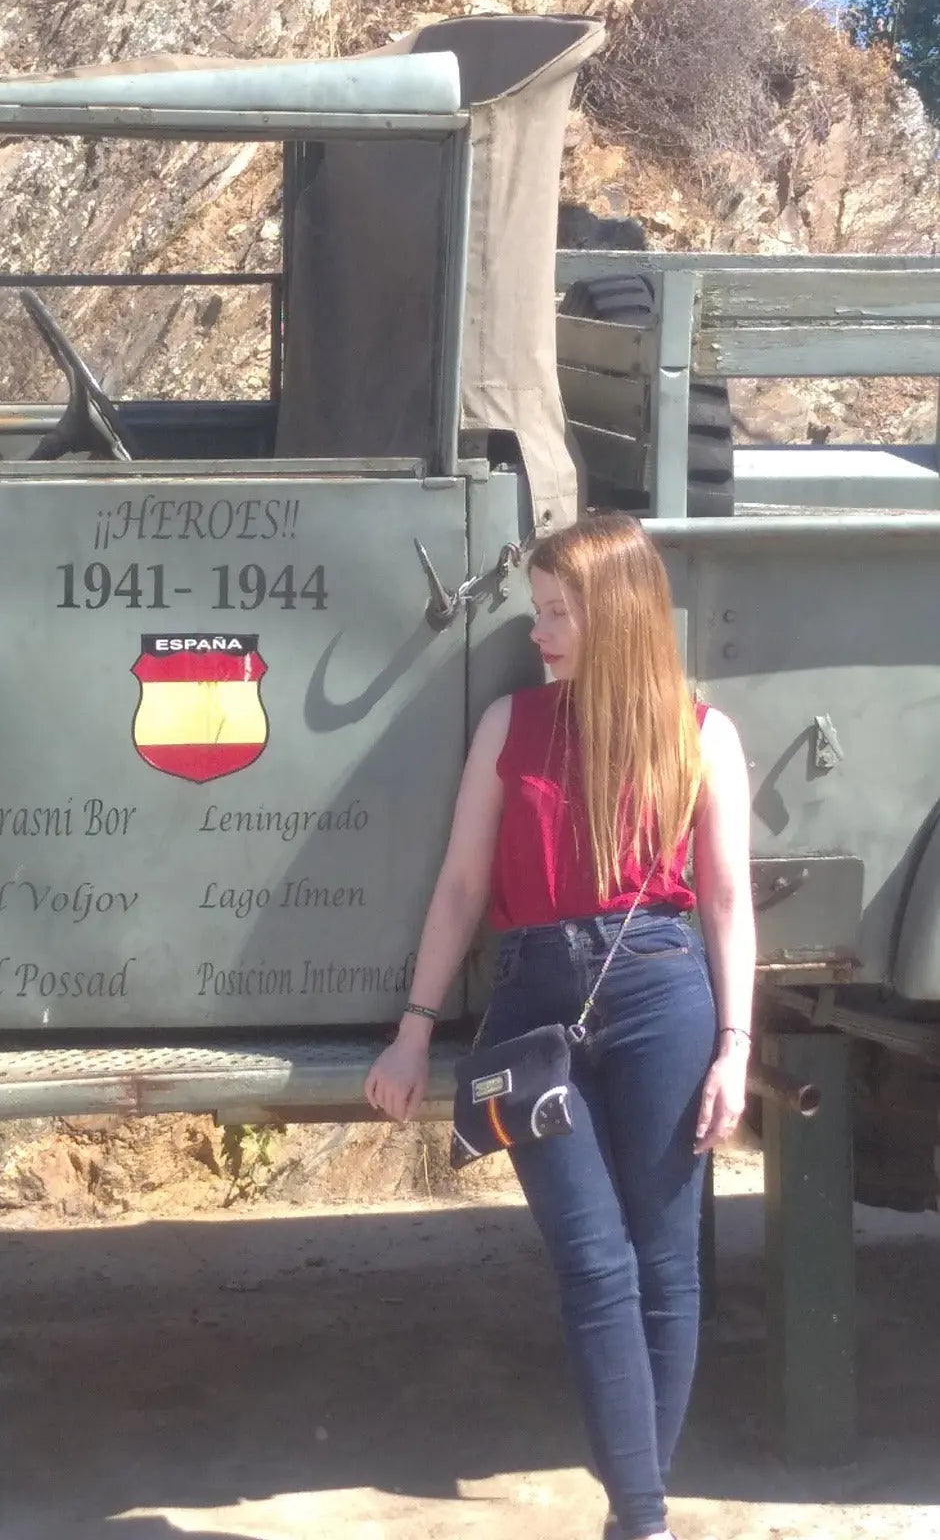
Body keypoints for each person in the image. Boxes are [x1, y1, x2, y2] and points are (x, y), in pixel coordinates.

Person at [364, 513, 754, 1540]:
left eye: (556, 612)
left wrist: (736, 1048)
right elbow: (457, 888)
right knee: (593, 1259)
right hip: (533, 1004)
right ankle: (643, 1514)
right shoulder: (510, 725)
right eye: (536, 611)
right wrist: (412, 1028)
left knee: (666, 1265)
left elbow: (724, 903)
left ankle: (636, 1518)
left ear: (614, 610)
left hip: (664, 991)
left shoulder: (700, 732)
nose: (539, 632)